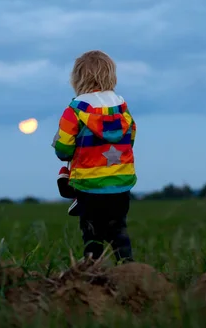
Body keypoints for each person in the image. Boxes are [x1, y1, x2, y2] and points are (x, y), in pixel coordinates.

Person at [52, 50, 137, 263]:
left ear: (77, 78)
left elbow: (63, 149)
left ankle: (92, 269)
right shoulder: (122, 109)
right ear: (111, 76)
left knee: (92, 232)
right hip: (121, 182)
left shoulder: (75, 110)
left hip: (88, 185)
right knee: (118, 229)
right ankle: (128, 268)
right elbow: (131, 137)